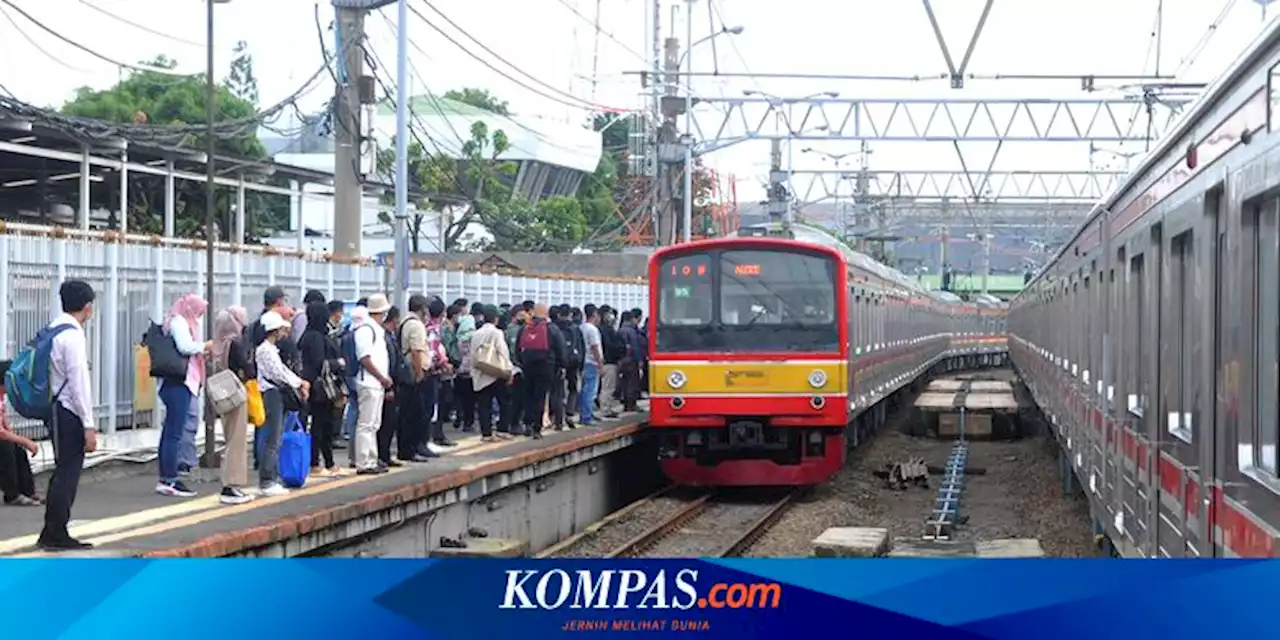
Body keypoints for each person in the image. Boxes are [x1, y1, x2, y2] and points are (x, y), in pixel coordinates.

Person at [39, 279, 98, 551]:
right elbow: (78, 383)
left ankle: (51, 531)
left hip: (54, 408)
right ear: (87, 307)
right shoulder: (72, 336)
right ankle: (55, 533)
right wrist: (88, 424)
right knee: (67, 473)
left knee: (62, 471)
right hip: (68, 411)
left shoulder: (53, 328)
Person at [156, 293, 211, 497]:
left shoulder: (176, 320)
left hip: (175, 382)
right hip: (179, 381)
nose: (200, 315)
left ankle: (166, 477)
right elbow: (185, 346)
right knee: (174, 433)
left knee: (170, 431)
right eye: (199, 310)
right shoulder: (179, 322)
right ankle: (170, 478)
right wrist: (204, 346)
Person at [255, 310, 309, 496]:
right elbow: (278, 373)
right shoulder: (265, 350)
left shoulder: (269, 349)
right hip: (272, 394)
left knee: (274, 437)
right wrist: (299, 383)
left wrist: (297, 381)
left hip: (274, 393)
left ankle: (271, 477)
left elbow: (282, 371)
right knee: (273, 437)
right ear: (274, 330)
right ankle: (267, 480)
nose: (284, 333)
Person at [209, 305, 254, 505]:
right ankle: (231, 486)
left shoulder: (216, 345)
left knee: (229, 439)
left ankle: (231, 486)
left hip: (221, 395)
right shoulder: (235, 343)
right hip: (236, 395)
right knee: (237, 441)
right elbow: (247, 368)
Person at [298, 301, 344, 476]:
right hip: (320, 388)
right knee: (321, 425)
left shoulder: (307, 334)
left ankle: (324, 462)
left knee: (321, 424)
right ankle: (318, 462)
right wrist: (338, 363)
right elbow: (320, 362)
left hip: (314, 385)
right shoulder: (316, 336)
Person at [354, 294, 393, 474]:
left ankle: (371, 458)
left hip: (375, 383)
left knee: (373, 423)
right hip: (369, 382)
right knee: (366, 423)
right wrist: (381, 377)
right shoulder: (366, 329)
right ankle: (364, 462)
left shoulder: (375, 329)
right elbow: (364, 358)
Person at [515, 304, 565, 440]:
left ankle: (527, 424)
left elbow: (517, 349)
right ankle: (537, 428)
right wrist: (561, 366)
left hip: (528, 366)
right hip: (546, 367)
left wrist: (521, 363)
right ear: (546, 314)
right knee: (540, 396)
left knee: (528, 396)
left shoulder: (524, 328)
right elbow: (560, 349)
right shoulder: (552, 329)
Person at [0, 360, 42, 506]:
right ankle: (11, 494)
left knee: (17, 449)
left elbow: (3, 419)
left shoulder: (1, 397)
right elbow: (1, 433)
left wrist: (16, 438)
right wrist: (24, 441)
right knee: (6, 448)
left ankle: (27, 491)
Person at [398, 295, 433, 463]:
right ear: (422, 308)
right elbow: (416, 351)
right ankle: (412, 449)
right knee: (416, 413)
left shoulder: (404, 322)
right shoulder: (416, 325)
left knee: (408, 413)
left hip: (408, 373)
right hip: (414, 373)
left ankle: (409, 448)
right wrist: (419, 373)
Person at [470, 305, 510, 443]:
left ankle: (486, 434)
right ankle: (502, 430)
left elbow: (473, 355)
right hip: (495, 373)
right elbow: (503, 353)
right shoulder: (497, 333)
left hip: (481, 374)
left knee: (484, 405)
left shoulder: (476, 333)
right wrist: (508, 370)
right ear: (496, 319)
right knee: (504, 402)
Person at [378, 306, 403, 468]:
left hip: (391, 382)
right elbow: (386, 363)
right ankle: (382, 455)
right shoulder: (384, 337)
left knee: (389, 422)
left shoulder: (389, 336)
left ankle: (385, 455)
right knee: (385, 423)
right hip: (388, 383)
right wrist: (388, 387)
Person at [579, 305, 604, 426]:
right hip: (592, 362)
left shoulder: (582, 327)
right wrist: (600, 363)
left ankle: (585, 414)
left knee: (584, 389)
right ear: (595, 315)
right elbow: (595, 346)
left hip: (584, 361)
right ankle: (586, 417)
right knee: (590, 391)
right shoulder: (592, 329)